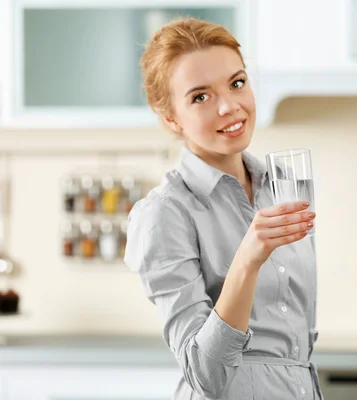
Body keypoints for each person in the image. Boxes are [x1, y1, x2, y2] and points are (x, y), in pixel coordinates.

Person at [124, 17, 322, 400]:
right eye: (200, 96)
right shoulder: (164, 214)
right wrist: (246, 260)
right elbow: (205, 376)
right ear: (170, 117)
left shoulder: (281, 185)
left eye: (237, 83)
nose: (230, 106)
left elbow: (297, 344)